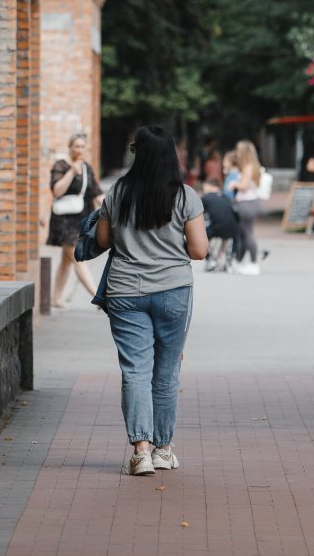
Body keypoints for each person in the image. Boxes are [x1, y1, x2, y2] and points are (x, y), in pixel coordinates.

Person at [95, 125, 208, 475]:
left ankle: (140, 452)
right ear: (172, 155)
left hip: (125, 292)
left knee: (135, 370)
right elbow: (199, 250)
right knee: (167, 370)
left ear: (137, 153)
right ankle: (163, 449)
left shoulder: (118, 192)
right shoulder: (185, 196)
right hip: (173, 290)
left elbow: (102, 241)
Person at [47, 133, 103, 309]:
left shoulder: (87, 168)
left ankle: (55, 299)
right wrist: (72, 171)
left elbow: (96, 194)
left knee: (66, 262)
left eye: (82, 146)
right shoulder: (61, 166)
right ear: (70, 147)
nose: (79, 150)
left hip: (81, 220)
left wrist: (113, 208)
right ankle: (99, 297)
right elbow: (57, 191)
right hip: (63, 221)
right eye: (76, 146)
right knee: (78, 258)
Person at [229, 140, 263, 275]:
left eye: (238, 150)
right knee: (244, 234)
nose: (236, 153)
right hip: (250, 202)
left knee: (247, 234)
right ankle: (238, 262)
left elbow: (243, 186)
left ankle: (254, 264)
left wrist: (234, 184)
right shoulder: (253, 166)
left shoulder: (248, 167)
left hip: (246, 203)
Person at [200, 179, 239, 272]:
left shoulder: (206, 197)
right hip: (232, 227)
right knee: (229, 237)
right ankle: (228, 261)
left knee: (202, 237)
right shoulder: (226, 197)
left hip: (216, 227)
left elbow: (199, 213)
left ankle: (210, 260)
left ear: (209, 186)